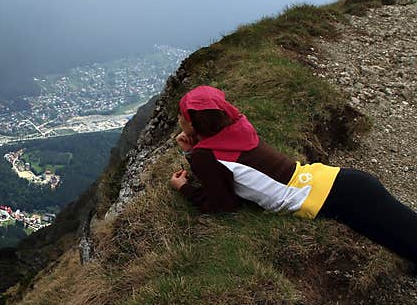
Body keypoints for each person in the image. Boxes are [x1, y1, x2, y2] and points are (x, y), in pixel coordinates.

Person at [169, 85, 417, 264]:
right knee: (400, 231)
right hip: (342, 182)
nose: (180, 119)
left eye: (182, 115)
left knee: (397, 236)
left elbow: (223, 205)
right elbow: (224, 168)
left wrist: (184, 188)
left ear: (192, 123)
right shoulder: (239, 128)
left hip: (330, 198)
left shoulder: (207, 157)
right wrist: (194, 151)